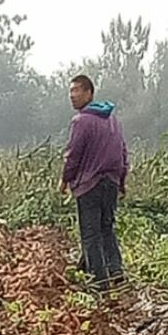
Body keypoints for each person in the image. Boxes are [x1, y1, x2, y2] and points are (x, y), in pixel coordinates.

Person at [61, 72, 128, 293]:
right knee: (106, 228)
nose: (72, 96)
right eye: (70, 91)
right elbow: (122, 152)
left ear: (89, 93)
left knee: (90, 233)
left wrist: (65, 179)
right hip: (110, 182)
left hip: (89, 184)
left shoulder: (81, 121)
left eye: (77, 90)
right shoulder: (112, 119)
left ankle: (100, 283)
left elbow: (73, 154)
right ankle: (115, 270)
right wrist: (122, 180)